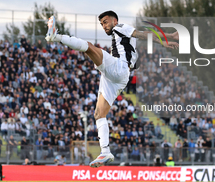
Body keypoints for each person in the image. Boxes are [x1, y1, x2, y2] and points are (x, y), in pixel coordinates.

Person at [45, 11, 179, 168]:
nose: (104, 25)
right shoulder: (122, 39)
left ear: (115, 21)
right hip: (118, 77)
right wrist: (168, 37)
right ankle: (105, 151)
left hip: (119, 68)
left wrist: (166, 39)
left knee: (89, 47)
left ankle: (56, 36)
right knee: (99, 114)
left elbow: (143, 34)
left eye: (106, 21)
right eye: (101, 24)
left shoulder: (120, 27)